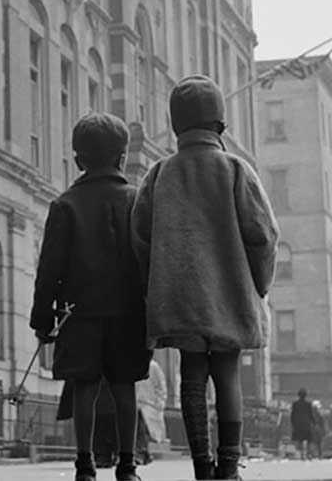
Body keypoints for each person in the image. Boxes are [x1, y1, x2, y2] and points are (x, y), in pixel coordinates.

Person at [131, 76, 279, 481]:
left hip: (178, 297)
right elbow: (264, 235)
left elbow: (140, 238)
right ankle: (228, 467)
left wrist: (154, 285)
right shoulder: (235, 169)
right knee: (228, 373)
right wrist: (257, 286)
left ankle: (202, 466)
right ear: (221, 127)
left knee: (191, 374)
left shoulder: (160, 174)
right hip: (230, 293)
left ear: (176, 126)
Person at [31, 112, 150, 481]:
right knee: (124, 386)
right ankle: (127, 466)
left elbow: (48, 269)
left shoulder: (64, 205)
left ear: (78, 159)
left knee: (84, 386)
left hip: (78, 313)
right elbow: (149, 259)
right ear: (122, 157)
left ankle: (85, 465)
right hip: (129, 314)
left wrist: (43, 320)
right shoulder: (136, 200)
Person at [136, 358, 169, 459]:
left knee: (143, 428)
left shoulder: (153, 366)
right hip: (135, 403)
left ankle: (141, 453)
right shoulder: (130, 365)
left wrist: (160, 402)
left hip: (149, 404)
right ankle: (140, 453)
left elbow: (161, 386)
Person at [290, 389, 316, 460]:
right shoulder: (308, 404)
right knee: (309, 440)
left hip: (298, 425)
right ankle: (309, 454)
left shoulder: (295, 404)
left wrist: (293, 423)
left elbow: (293, 415)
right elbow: (311, 414)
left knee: (299, 440)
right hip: (307, 424)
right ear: (305, 395)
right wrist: (314, 422)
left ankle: (302, 455)